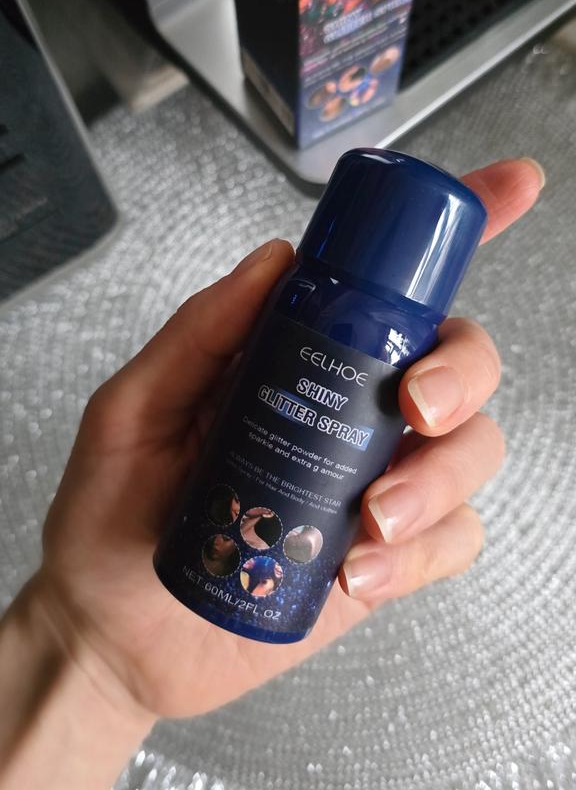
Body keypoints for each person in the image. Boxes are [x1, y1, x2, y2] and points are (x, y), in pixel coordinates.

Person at [0, 158, 545, 789]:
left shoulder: (396, 333)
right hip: (167, 558)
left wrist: (102, 673)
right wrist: (83, 641)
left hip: (246, 585)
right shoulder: (304, 290)